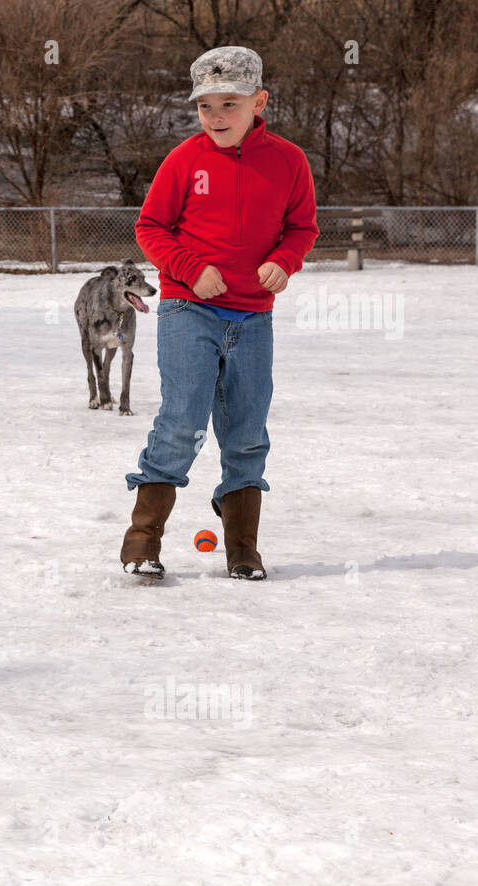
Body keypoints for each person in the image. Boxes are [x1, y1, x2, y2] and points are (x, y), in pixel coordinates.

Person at [122, 45, 319, 581]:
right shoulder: (185, 160)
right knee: (182, 421)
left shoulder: (288, 161)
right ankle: (142, 540)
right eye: (205, 106)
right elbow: (150, 227)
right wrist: (190, 268)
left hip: (254, 317)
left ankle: (243, 547)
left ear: (260, 102)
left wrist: (284, 260)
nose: (215, 117)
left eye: (228, 104)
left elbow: (302, 228)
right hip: (189, 309)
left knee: (247, 431)